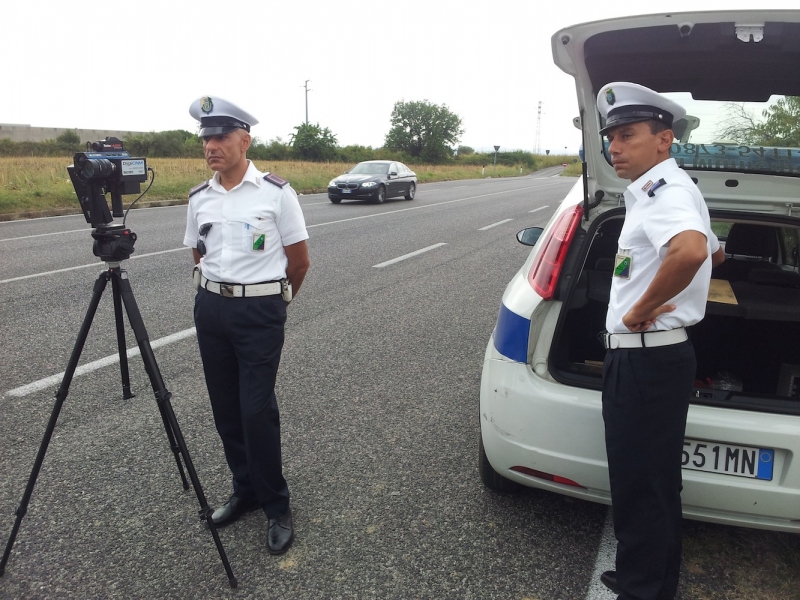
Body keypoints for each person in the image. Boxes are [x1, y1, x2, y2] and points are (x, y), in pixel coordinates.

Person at [595, 82, 725, 600]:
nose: (615, 147)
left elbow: (692, 252)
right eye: (611, 137)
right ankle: (641, 577)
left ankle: (644, 591)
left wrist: (643, 308)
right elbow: (716, 254)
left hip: (649, 361)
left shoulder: (664, 192)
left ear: (664, 139)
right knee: (642, 480)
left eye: (628, 135)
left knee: (644, 484)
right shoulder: (672, 189)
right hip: (651, 361)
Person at [183, 95, 310, 555]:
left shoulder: (276, 193)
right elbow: (199, 252)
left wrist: (273, 305)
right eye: (206, 138)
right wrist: (214, 295)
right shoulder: (200, 197)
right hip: (211, 309)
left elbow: (299, 262)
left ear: (244, 140)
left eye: (220, 137)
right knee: (225, 409)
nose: (211, 145)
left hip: (259, 313)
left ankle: (277, 504)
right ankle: (246, 490)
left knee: (256, 410)